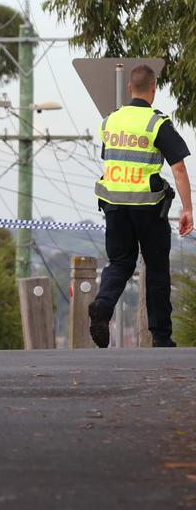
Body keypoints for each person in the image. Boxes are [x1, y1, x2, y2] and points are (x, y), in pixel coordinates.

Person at [89, 64, 193, 348]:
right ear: (154, 89)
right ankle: (160, 336)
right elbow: (179, 168)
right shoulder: (156, 123)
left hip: (113, 204)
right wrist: (187, 209)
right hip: (147, 207)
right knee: (157, 269)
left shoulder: (110, 121)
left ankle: (103, 305)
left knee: (120, 262)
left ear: (128, 88)